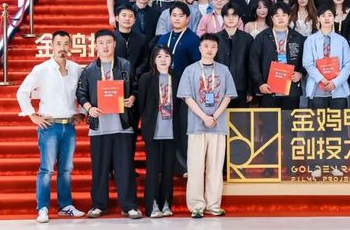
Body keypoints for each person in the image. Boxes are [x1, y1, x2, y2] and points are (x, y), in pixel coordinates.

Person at [16, 31, 85, 223]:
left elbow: (84, 92)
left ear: (70, 46)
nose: (62, 48)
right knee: (46, 169)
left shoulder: (76, 69)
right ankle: (43, 208)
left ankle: (65, 206)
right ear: (52, 46)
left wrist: (82, 113)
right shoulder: (41, 69)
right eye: (58, 44)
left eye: (66, 44)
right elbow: (22, 92)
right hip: (49, 127)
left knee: (66, 169)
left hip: (69, 127)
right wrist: (32, 114)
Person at [76, 29, 142, 219]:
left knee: (125, 168)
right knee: (100, 169)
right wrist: (89, 108)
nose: (105, 46)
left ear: (114, 44)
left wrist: (132, 98)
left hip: (123, 125)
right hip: (99, 127)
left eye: (108, 42)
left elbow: (135, 87)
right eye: (101, 43)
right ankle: (99, 205)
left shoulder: (125, 65)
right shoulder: (89, 70)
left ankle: (129, 206)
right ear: (95, 45)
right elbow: (81, 93)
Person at [177, 33, 238, 218]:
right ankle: (196, 205)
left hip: (218, 125)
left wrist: (214, 116)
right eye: (206, 46)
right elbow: (187, 97)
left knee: (215, 166)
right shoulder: (190, 70)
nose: (209, 50)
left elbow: (228, 96)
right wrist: (204, 116)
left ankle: (213, 204)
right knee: (195, 167)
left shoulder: (224, 70)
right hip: (197, 125)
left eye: (213, 46)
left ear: (217, 49)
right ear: (200, 48)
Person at [302, 6, 350, 178]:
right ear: (318, 19)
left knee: (337, 130)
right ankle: (315, 165)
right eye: (323, 15)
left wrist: (335, 82)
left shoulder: (342, 41)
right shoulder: (310, 40)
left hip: (337, 92)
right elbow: (308, 63)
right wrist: (322, 80)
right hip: (317, 90)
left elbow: (348, 64)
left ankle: (335, 164)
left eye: (330, 15)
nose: (326, 18)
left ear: (334, 19)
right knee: (315, 131)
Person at [137, 45, 184, 218]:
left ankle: (166, 204)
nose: (163, 59)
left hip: (172, 130)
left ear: (171, 58)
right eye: (159, 56)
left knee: (168, 170)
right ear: (153, 60)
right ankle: (152, 206)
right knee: (153, 169)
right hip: (153, 131)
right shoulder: (146, 78)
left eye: (166, 56)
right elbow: (141, 105)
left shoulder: (177, 77)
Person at [249, 2, 306, 111]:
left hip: (291, 89)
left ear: (289, 17)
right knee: (270, 121)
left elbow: (306, 60)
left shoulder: (298, 38)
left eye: (284, 15)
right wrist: (260, 83)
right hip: (268, 88)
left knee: (289, 120)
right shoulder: (262, 37)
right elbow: (253, 62)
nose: (280, 18)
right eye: (277, 15)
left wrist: (300, 73)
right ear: (271, 18)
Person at [215, 3, 254, 109]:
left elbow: (251, 66)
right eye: (227, 15)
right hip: (219, 87)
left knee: (240, 118)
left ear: (239, 18)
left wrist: (250, 90)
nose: (231, 18)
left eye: (234, 15)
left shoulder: (247, 39)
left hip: (241, 87)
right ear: (223, 18)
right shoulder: (215, 38)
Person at [157, 2, 201, 74]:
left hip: (185, 78)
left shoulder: (194, 39)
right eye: (174, 15)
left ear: (187, 19)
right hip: (164, 78)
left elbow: (197, 65)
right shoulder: (163, 39)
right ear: (170, 18)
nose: (177, 19)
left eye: (181, 16)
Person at [114, 4, 149, 80]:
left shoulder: (142, 39)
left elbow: (145, 60)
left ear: (134, 20)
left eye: (130, 16)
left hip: (136, 80)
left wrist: (136, 74)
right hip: (115, 80)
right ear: (117, 18)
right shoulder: (111, 38)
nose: (127, 18)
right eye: (124, 15)